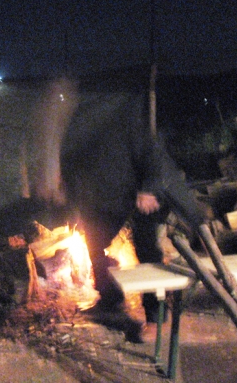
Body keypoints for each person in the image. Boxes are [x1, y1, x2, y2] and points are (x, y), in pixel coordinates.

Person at [60, 89, 205, 343]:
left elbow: (154, 154)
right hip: (115, 194)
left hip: (147, 189)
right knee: (95, 242)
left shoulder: (121, 117)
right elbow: (77, 166)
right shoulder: (74, 128)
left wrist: (149, 189)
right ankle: (111, 298)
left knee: (147, 248)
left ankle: (157, 317)